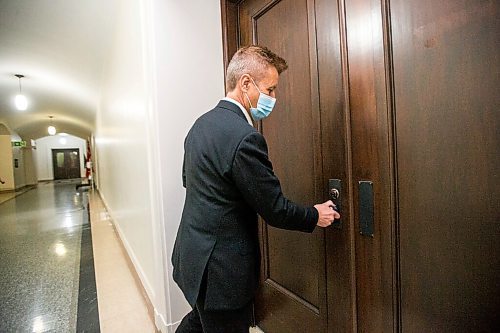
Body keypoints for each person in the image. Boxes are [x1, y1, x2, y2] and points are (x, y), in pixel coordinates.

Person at [172, 45, 340, 333]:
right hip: (220, 274)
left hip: (191, 257)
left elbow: (190, 182)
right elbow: (274, 209)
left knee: (198, 322)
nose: (274, 98)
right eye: (270, 89)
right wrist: (314, 215)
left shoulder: (199, 125)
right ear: (246, 83)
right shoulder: (245, 138)